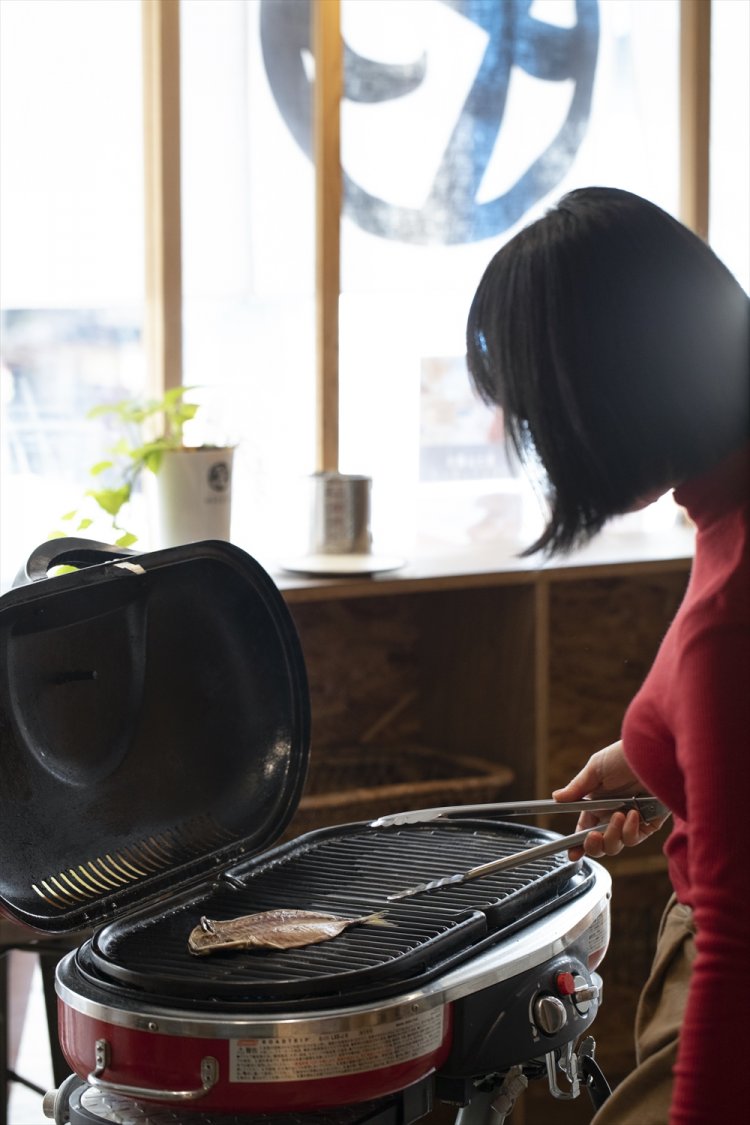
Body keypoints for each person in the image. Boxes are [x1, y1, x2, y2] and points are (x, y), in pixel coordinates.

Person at [466, 186, 749, 1125]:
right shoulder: (725, 495)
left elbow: (741, 956)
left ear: (611, 394)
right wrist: (669, 757)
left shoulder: (728, 616)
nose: (538, 446)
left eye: (539, 417)